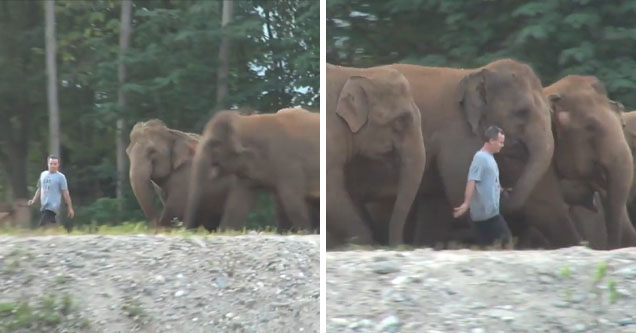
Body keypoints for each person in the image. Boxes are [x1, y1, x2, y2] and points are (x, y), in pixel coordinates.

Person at [453, 126, 512, 247]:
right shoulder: (480, 157)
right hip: (486, 214)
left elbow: (489, 181)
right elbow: (472, 180)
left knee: (489, 247)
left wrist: (501, 190)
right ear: (491, 140)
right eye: (500, 142)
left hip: (490, 212)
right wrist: (466, 203)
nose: (502, 145)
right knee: (506, 242)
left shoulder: (489, 158)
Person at [27, 155, 75, 227]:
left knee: (42, 225)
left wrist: (70, 208)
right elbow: (39, 189)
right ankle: (58, 232)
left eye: (55, 164)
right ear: (48, 164)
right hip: (44, 205)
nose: (53, 166)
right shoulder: (43, 174)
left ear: (58, 165)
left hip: (53, 206)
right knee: (50, 225)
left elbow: (65, 193)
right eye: (51, 163)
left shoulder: (61, 177)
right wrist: (33, 200)